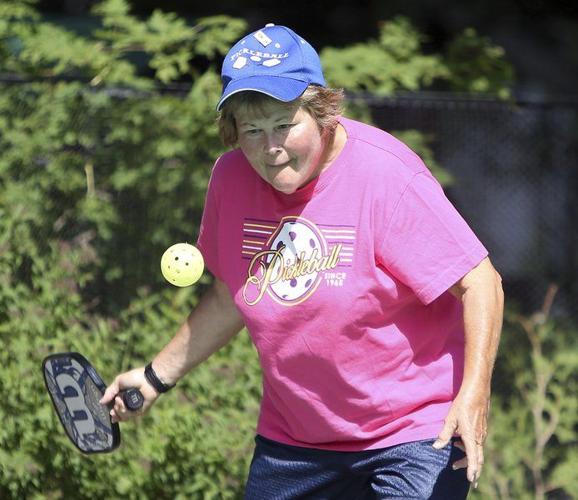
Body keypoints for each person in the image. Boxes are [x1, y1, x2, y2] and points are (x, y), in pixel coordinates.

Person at [101, 23, 504, 499]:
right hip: (295, 443)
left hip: (412, 433)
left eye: (284, 125)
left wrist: (473, 396)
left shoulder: (386, 175)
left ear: (323, 113)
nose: (270, 148)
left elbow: (481, 281)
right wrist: (153, 378)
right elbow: (239, 290)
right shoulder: (231, 179)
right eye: (251, 130)